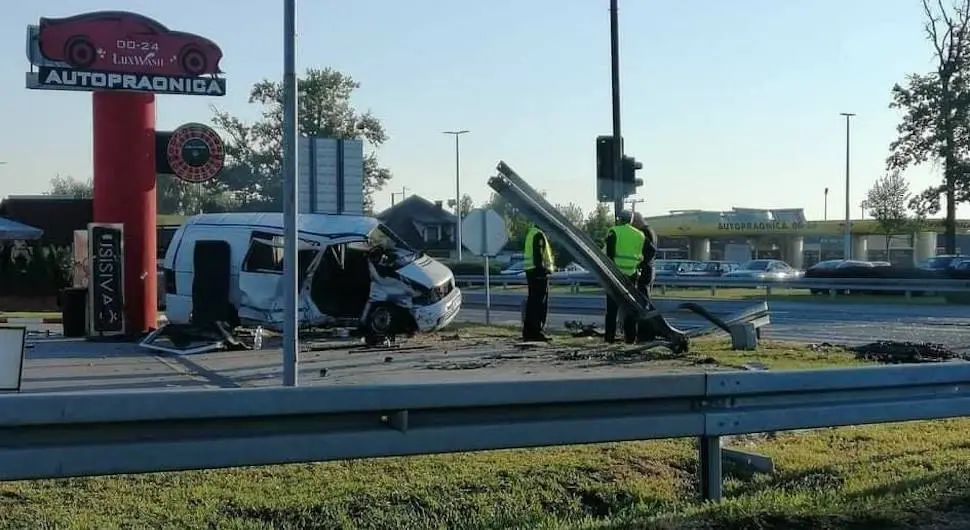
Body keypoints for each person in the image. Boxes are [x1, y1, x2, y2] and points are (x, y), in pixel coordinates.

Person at [604, 211, 646, 343]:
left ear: (619, 219)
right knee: (630, 307)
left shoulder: (614, 231)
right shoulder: (640, 235)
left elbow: (609, 253)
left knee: (612, 309)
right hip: (632, 274)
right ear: (631, 220)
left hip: (616, 274)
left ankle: (609, 337)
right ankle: (630, 338)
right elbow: (640, 256)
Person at [522, 223, 553, 342]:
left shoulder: (531, 233)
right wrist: (543, 270)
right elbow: (538, 254)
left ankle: (528, 332)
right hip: (538, 273)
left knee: (532, 303)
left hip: (530, 271)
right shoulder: (539, 235)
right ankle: (536, 331)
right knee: (539, 304)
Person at [632, 212, 659, 342]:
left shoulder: (645, 232)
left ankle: (646, 333)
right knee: (646, 302)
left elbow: (651, 250)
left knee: (643, 303)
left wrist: (642, 263)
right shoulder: (651, 230)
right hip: (650, 268)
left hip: (646, 270)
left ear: (637, 221)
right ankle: (648, 332)